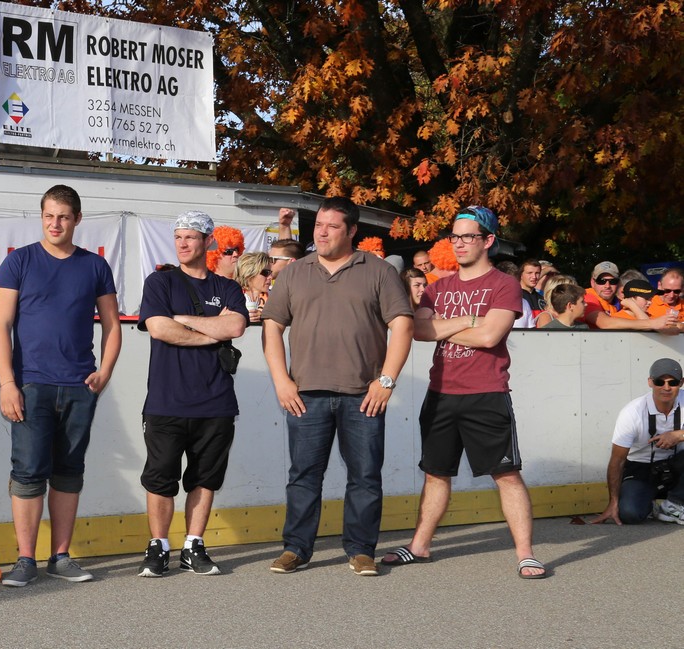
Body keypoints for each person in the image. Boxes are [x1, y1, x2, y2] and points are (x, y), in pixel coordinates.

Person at [381, 205, 547, 579]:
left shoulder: (504, 284)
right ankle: (419, 547)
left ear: (488, 240)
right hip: (441, 392)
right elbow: (419, 331)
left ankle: (525, 554)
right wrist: (469, 320)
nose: (458, 243)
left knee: (506, 474)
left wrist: (445, 326)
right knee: (435, 473)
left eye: (468, 236)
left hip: (486, 393)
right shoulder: (437, 287)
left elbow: (490, 336)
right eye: (454, 236)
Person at [261, 196, 412, 577]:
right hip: (306, 394)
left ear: (352, 231)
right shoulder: (294, 272)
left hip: (363, 394)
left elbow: (402, 325)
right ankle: (295, 548)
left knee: (365, 476)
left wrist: (386, 381)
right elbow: (272, 327)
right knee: (303, 476)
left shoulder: (378, 271)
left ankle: (361, 550)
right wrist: (281, 381)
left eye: (332, 226)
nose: (322, 232)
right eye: (319, 225)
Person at [0, 185, 122, 587]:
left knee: (69, 472)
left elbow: (113, 325)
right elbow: (0, 325)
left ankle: (60, 557)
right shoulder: (19, 261)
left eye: (63, 216)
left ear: (77, 219)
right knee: (28, 472)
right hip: (30, 385)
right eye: (49, 215)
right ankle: (25, 560)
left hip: (80, 386)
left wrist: (105, 371)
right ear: (41, 216)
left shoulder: (94, 266)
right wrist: (7, 383)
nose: (55, 223)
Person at [136, 211, 248, 577]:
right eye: (178, 237)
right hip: (166, 401)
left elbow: (236, 326)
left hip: (216, 403)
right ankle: (158, 546)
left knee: (205, 478)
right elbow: (158, 328)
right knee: (160, 478)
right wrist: (211, 333)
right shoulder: (160, 282)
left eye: (190, 237)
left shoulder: (227, 287)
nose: (182, 243)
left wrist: (182, 319)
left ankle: (193, 545)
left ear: (208, 241)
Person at [589, 359, 684, 525]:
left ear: (681, 383)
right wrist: (613, 502)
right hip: (642, 469)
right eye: (659, 382)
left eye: (673, 382)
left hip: (678, 466)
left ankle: (674, 504)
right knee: (629, 513)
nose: (666, 388)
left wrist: (679, 435)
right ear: (650, 382)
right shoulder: (632, 412)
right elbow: (617, 460)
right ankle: (654, 506)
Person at [582, 261, 677, 332]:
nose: (607, 286)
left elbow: (667, 326)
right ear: (592, 282)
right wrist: (651, 324)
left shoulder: (620, 302)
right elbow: (605, 323)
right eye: (601, 281)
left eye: (613, 281)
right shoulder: (587, 298)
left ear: (618, 283)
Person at [235, 251, 272, 323]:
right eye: (266, 273)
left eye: (270, 273)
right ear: (249, 274)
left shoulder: (274, 296)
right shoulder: (233, 296)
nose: (270, 277)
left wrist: (264, 316)